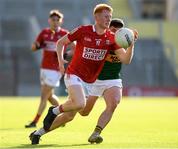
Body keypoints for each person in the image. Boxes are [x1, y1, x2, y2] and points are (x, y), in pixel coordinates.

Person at [29, 4, 137, 145]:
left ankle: (38, 133)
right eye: (106, 16)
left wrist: (131, 45)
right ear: (96, 17)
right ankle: (54, 110)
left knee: (70, 116)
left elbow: (125, 60)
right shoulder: (83, 30)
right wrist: (61, 62)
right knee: (80, 104)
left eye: (110, 17)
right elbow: (61, 43)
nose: (108, 19)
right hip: (74, 74)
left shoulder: (111, 38)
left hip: (89, 81)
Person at [25, 10, 73, 128]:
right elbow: (33, 47)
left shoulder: (64, 34)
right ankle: (64, 117)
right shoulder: (44, 33)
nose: (55, 22)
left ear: (61, 21)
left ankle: (35, 121)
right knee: (50, 96)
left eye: (57, 20)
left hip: (55, 69)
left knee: (44, 96)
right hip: (44, 68)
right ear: (49, 20)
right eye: (53, 20)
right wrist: (37, 46)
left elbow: (75, 48)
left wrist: (65, 55)